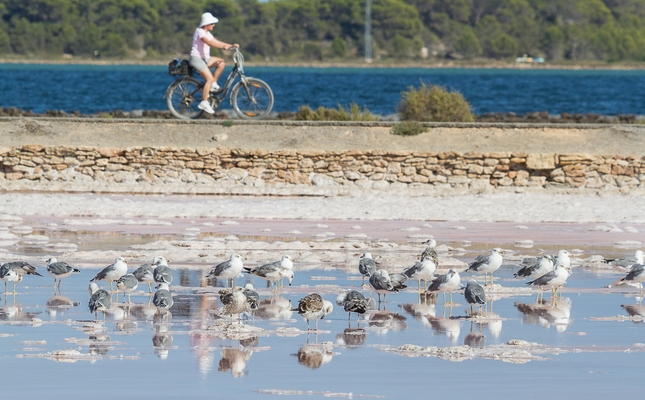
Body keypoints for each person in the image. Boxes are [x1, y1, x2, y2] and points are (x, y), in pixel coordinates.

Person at [189, 12, 239, 114]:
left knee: (221, 63)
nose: (213, 25)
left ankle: (212, 84)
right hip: (196, 59)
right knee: (209, 79)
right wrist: (224, 47)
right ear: (206, 23)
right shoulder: (200, 32)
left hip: (205, 59)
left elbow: (216, 41)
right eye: (212, 23)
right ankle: (204, 102)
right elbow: (209, 42)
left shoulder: (207, 33)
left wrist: (230, 45)